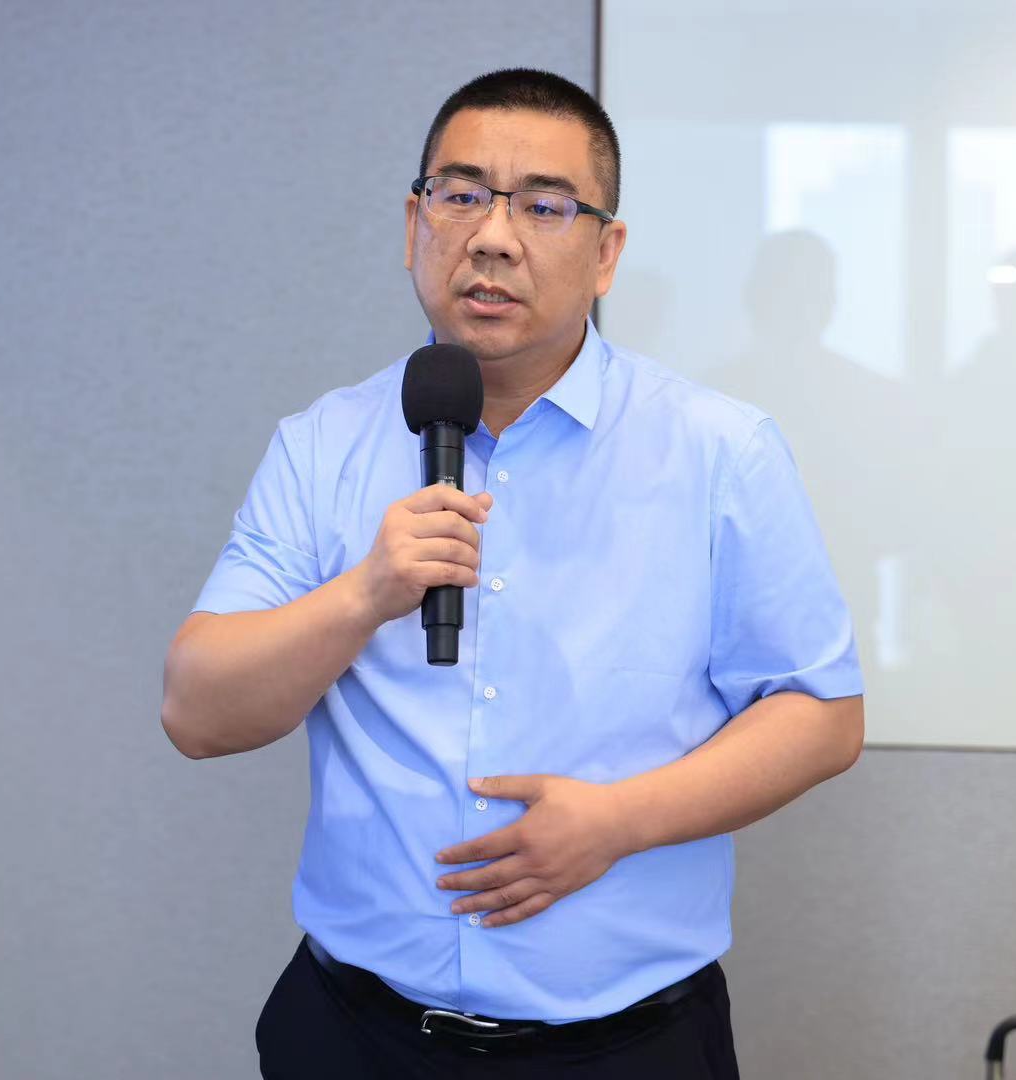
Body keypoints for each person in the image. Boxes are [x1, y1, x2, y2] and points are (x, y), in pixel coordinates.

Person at [161, 67, 865, 1079]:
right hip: (355, 1035)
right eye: (460, 195)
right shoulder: (321, 446)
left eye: (543, 206)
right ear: (415, 223)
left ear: (605, 252)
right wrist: (364, 594)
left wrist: (617, 823)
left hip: (626, 1046)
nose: (492, 237)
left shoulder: (719, 451)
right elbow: (197, 713)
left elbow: (819, 713)